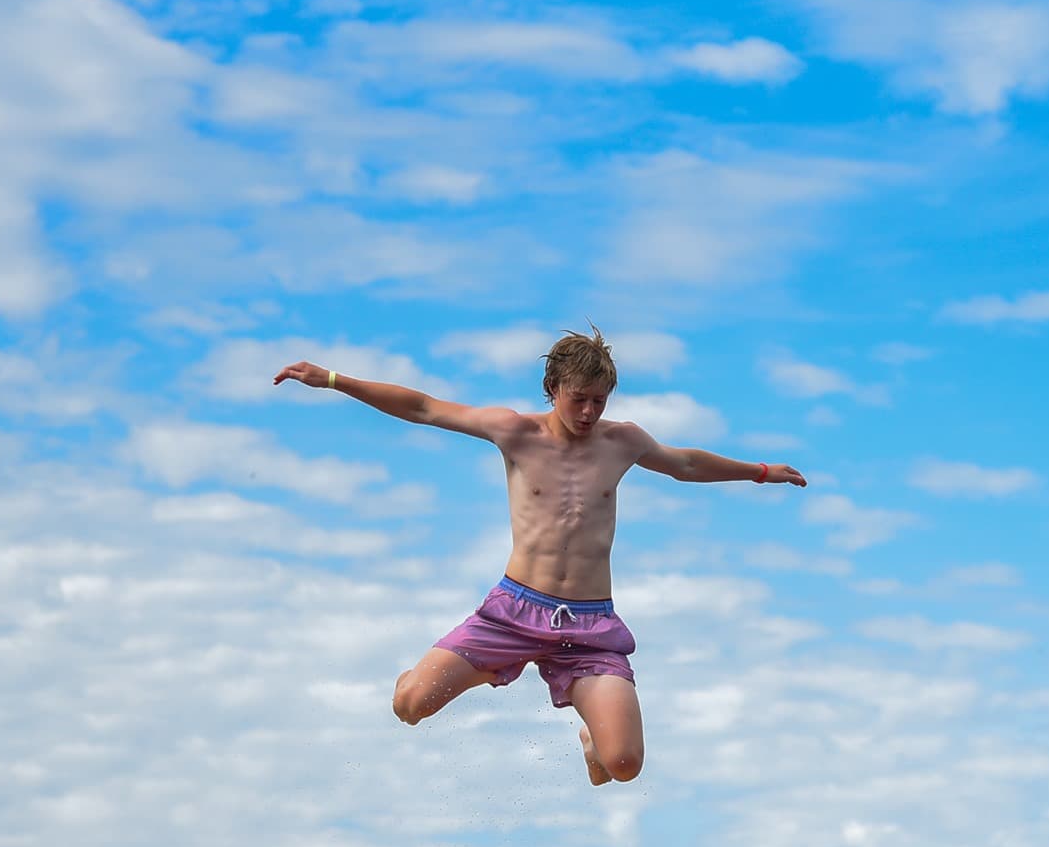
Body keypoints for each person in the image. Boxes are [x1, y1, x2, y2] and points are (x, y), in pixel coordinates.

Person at [273, 327, 807, 785]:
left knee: (622, 765)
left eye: (600, 400)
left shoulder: (622, 441)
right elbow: (424, 408)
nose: (590, 411)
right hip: (512, 613)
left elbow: (684, 464)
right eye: (579, 398)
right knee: (409, 707)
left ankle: (591, 740)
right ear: (553, 388)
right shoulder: (515, 432)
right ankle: (480, 668)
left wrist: (760, 472)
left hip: (589, 626)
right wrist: (336, 381)